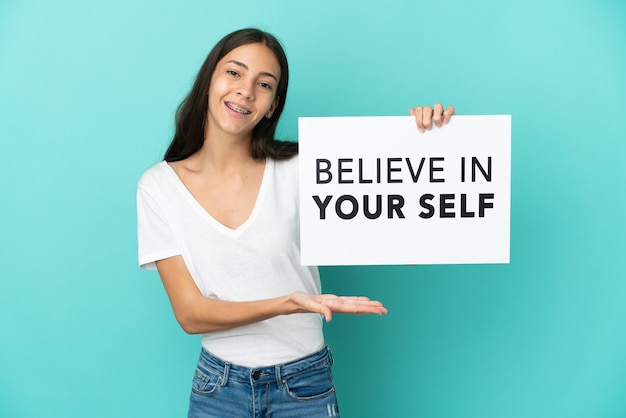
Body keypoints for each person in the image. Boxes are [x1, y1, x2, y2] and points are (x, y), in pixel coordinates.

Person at [137, 28, 454, 418]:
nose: (246, 91)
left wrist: (432, 140)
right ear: (209, 80)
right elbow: (190, 313)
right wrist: (289, 302)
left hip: (305, 384)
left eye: (264, 84)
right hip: (218, 389)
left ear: (273, 105)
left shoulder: (305, 168)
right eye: (234, 73)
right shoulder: (158, 187)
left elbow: (402, 224)